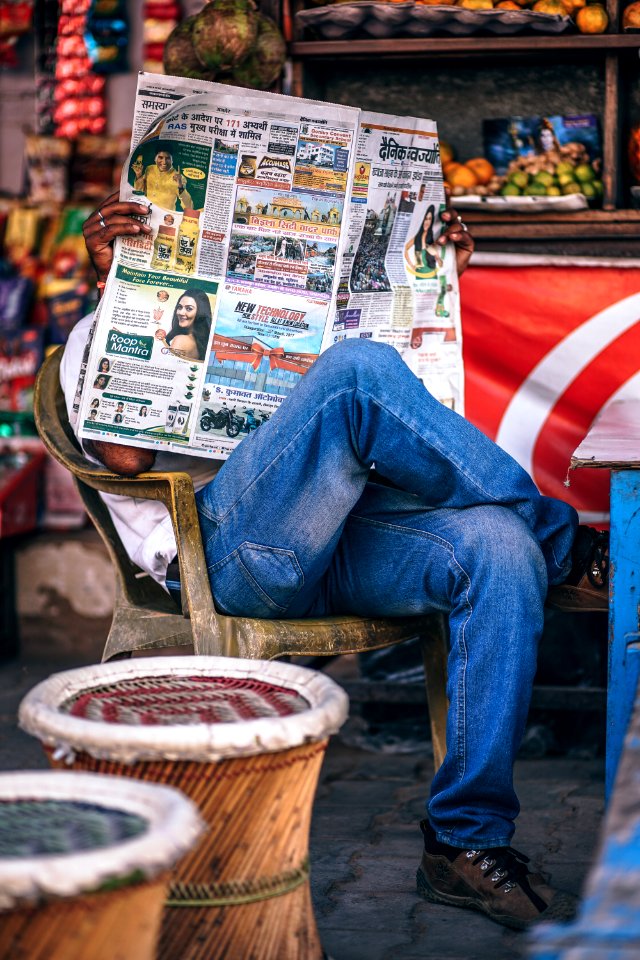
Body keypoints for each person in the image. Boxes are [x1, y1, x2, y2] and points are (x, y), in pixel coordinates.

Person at [67, 193, 609, 932]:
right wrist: (119, 297)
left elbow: (413, 411)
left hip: (346, 539)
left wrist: (432, 281)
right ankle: (568, 545)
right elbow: (123, 457)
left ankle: (465, 842)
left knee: (499, 547)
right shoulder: (90, 338)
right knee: (354, 371)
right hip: (230, 558)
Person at [157, 286, 212, 362]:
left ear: (200, 313)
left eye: (189, 308)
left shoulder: (180, 340)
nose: (180, 312)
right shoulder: (200, 343)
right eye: (179, 307)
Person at [131, 146, 194, 212]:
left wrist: (180, 186)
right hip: (145, 210)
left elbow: (189, 207)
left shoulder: (179, 178)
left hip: (164, 217)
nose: (164, 162)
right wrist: (138, 175)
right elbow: (139, 192)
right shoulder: (149, 169)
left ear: (172, 161)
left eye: (167, 158)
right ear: (155, 159)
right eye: (160, 158)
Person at [405, 204, 443, 278]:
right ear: (423, 220)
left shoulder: (432, 237)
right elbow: (406, 248)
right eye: (426, 218)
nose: (427, 222)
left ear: (432, 221)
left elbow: (440, 262)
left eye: (430, 219)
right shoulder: (417, 237)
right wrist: (411, 265)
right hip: (419, 273)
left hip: (431, 273)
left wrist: (438, 259)